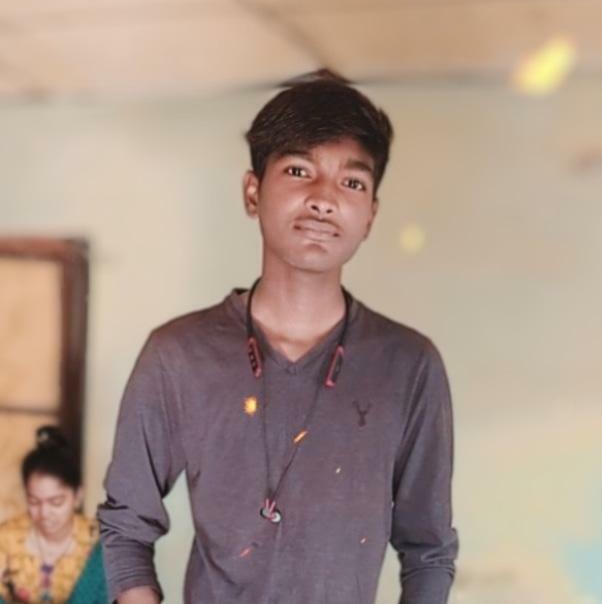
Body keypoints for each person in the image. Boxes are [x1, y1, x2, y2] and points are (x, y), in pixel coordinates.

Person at [98, 69, 459, 604]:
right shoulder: (178, 355)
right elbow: (126, 525)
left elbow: (428, 550)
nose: (323, 199)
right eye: (298, 171)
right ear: (253, 192)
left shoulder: (408, 366)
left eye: (352, 182)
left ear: (370, 216)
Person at [0, 426, 107, 603]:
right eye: (34, 501)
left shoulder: (99, 543)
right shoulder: (5, 538)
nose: (44, 513)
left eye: (56, 502)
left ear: (78, 496)